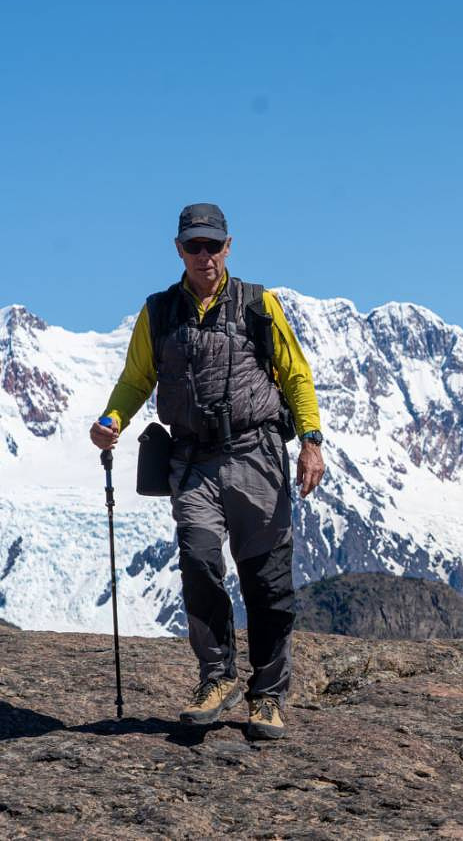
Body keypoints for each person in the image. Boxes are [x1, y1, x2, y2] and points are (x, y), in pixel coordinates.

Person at [90, 202, 325, 741]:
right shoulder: (158, 313)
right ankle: (215, 679)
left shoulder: (258, 305)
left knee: (266, 580)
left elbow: (296, 376)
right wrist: (111, 418)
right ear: (178, 249)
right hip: (192, 460)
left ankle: (267, 696)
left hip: (256, 456)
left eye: (212, 245)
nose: (204, 256)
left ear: (228, 246)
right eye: (194, 246)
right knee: (198, 564)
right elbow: (135, 380)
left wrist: (311, 441)